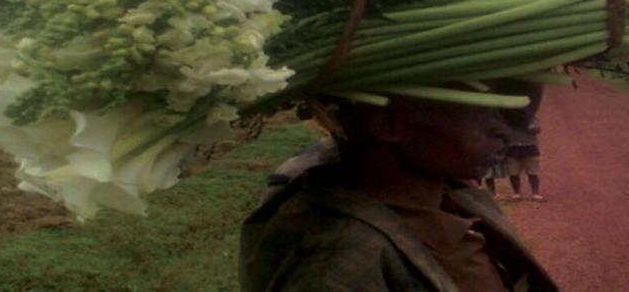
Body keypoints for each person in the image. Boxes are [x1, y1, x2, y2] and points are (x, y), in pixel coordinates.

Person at [238, 85, 558, 291]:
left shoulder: (452, 199)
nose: (504, 131)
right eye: (482, 110)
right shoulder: (336, 266)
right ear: (390, 125)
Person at [482, 84, 545, 202]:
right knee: (513, 173)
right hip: (513, 147)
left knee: (532, 172)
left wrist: (523, 122)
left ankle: (535, 193)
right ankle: (516, 193)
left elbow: (536, 129)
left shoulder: (530, 117)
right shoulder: (507, 118)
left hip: (529, 146)